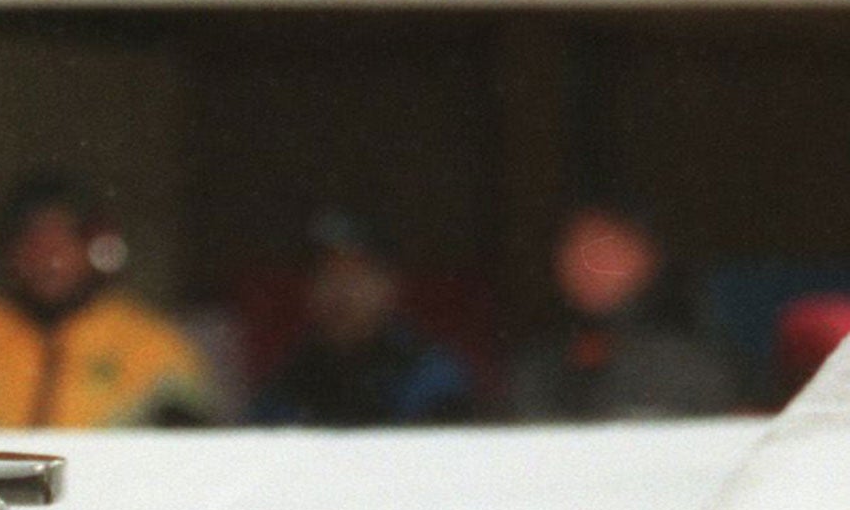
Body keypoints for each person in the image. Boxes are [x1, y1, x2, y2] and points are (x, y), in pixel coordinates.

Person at [0, 173, 217, 428]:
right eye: (34, 244)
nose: (49, 261)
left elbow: (193, 442)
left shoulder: (147, 341)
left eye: (63, 243)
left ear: (94, 249)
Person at [510, 203, 740, 422]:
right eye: (573, 247)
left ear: (648, 255)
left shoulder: (690, 357)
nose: (586, 263)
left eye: (604, 247)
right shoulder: (539, 359)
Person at [251, 209, 477, 427]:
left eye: (356, 276)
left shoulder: (430, 377)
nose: (342, 292)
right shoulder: (291, 378)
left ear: (389, 285)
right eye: (328, 275)